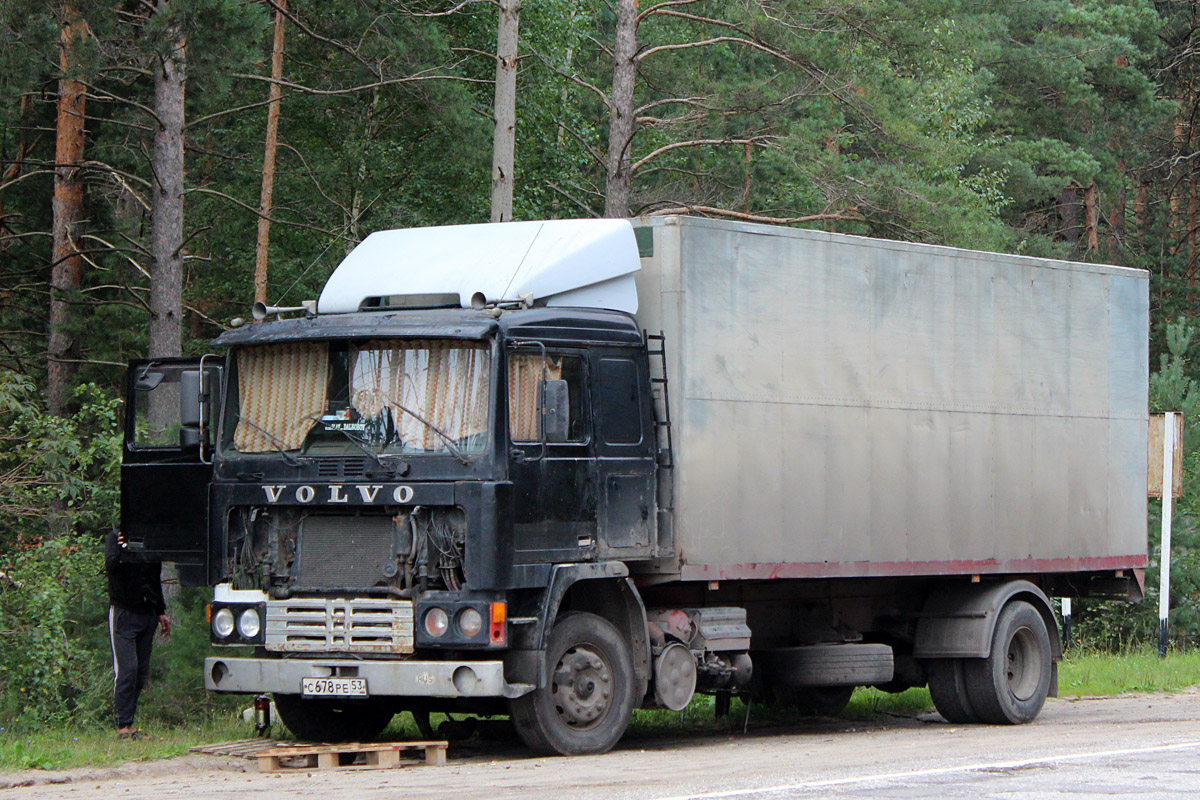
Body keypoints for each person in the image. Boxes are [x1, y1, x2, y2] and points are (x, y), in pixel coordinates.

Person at [105, 528, 170, 739]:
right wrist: (124, 548)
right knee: (127, 669)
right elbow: (111, 566)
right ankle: (122, 725)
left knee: (140, 671)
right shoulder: (115, 538)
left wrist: (161, 611)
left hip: (147, 613)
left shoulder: (150, 541)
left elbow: (154, 578)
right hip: (124, 612)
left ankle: (130, 724)